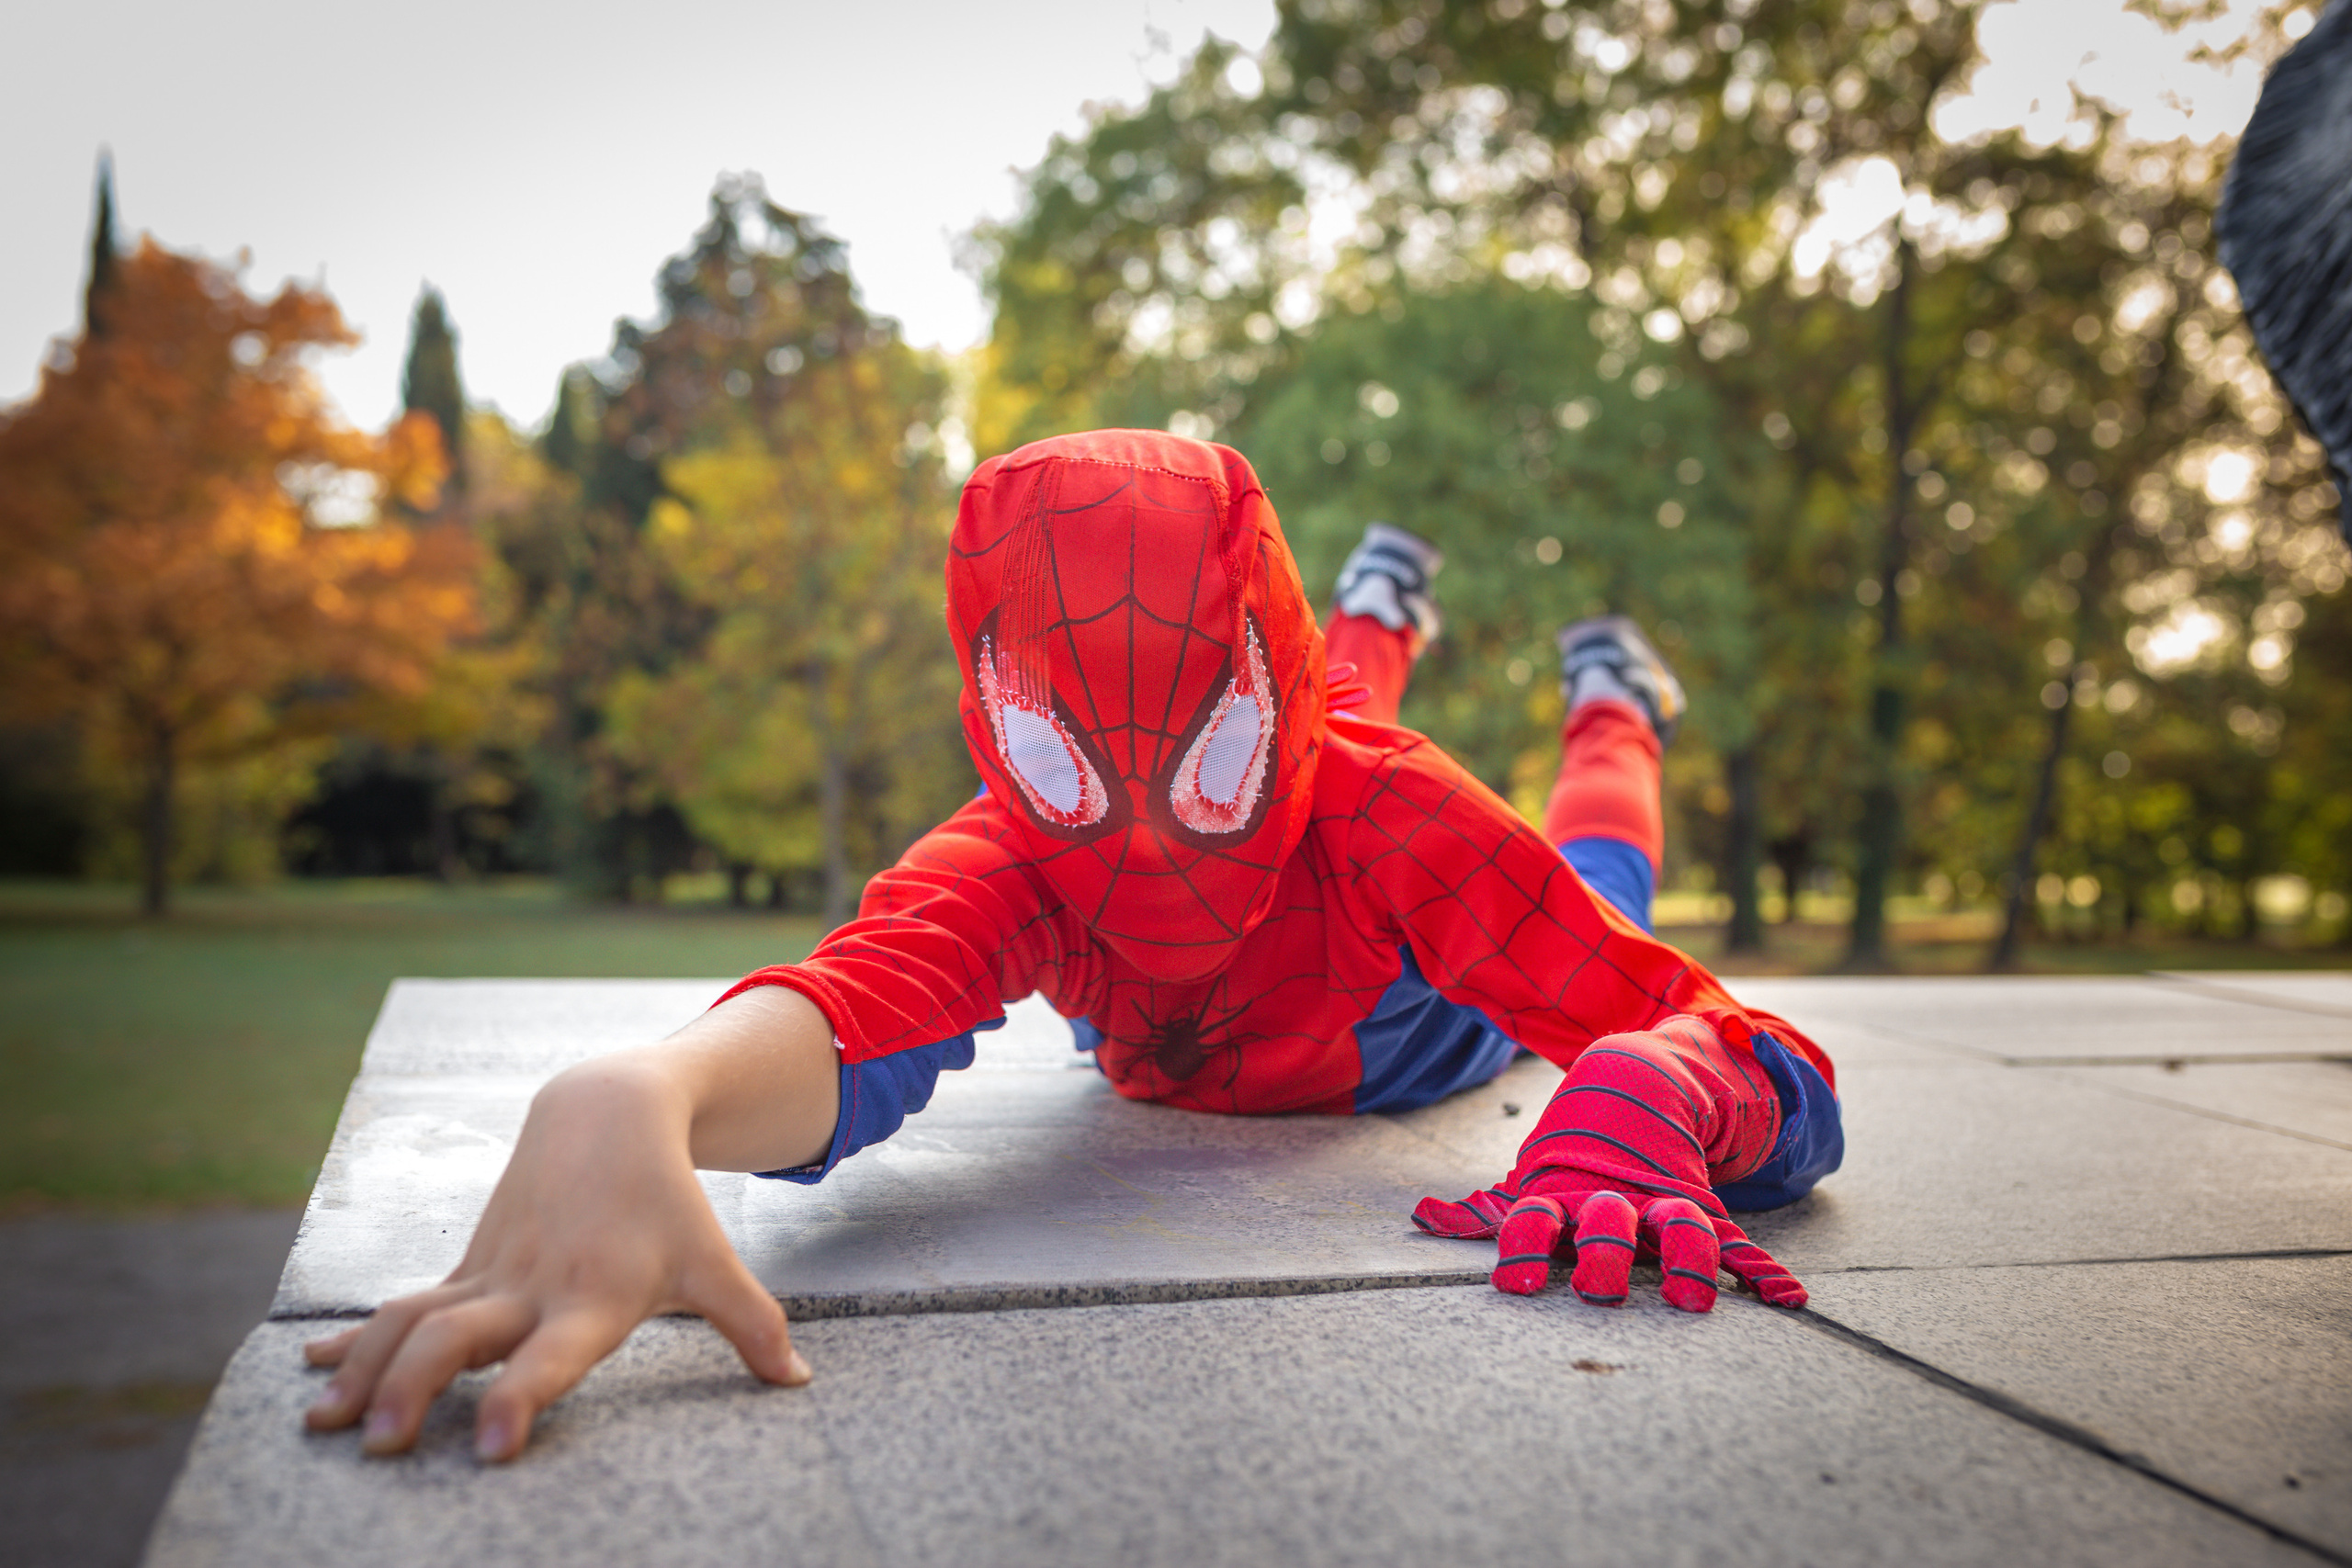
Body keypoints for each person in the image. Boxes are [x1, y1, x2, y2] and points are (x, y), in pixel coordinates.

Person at [301, 429, 1841, 1463]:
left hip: (1408, 1018)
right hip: (1310, 795)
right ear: (1007, 722)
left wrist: (1650, 1104)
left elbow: (1721, 1037)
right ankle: (1375, 602)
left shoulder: (1385, 814)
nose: (1151, 837)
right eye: (1068, 759)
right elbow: (854, 1011)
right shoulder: (1025, 847)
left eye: (1218, 747)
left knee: (1599, 883)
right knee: (1316, 719)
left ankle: (1611, 694)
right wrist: (646, 1092)